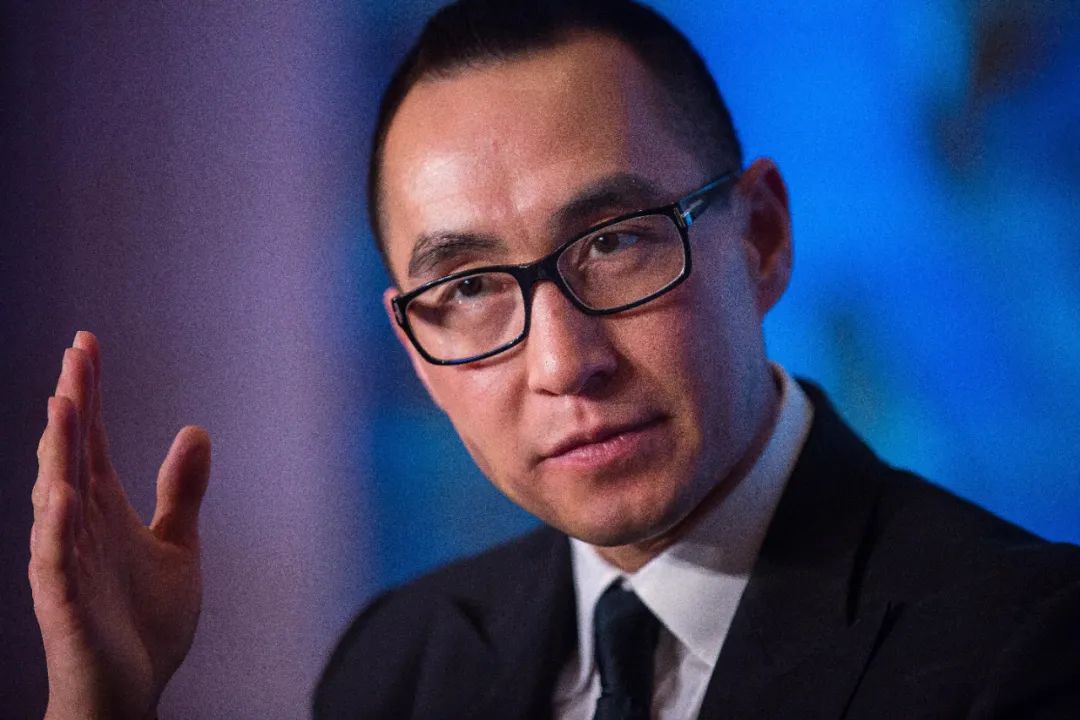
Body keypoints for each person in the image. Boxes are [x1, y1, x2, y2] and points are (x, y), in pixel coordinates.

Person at [28, 1, 1080, 718]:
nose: (563, 362)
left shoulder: (1027, 650)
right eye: (468, 288)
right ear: (417, 350)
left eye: (615, 243)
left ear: (760, 237)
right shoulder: (399, 668)